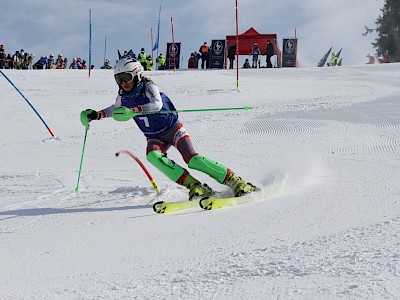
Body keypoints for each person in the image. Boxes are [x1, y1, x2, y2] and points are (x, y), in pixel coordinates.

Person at [80, 57, 257, 200]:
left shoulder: (149, 86)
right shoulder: (123, 95)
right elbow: (115, 109)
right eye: (119, 79)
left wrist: (133, 111)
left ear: (137, 75)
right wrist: (97, 115)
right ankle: (195, 186)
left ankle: (236, 181)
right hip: (154, 137)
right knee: (153, 156)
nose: (123, 83)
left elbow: (156, 105)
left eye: (126, 77)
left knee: (192, 159)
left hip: (172, 129)